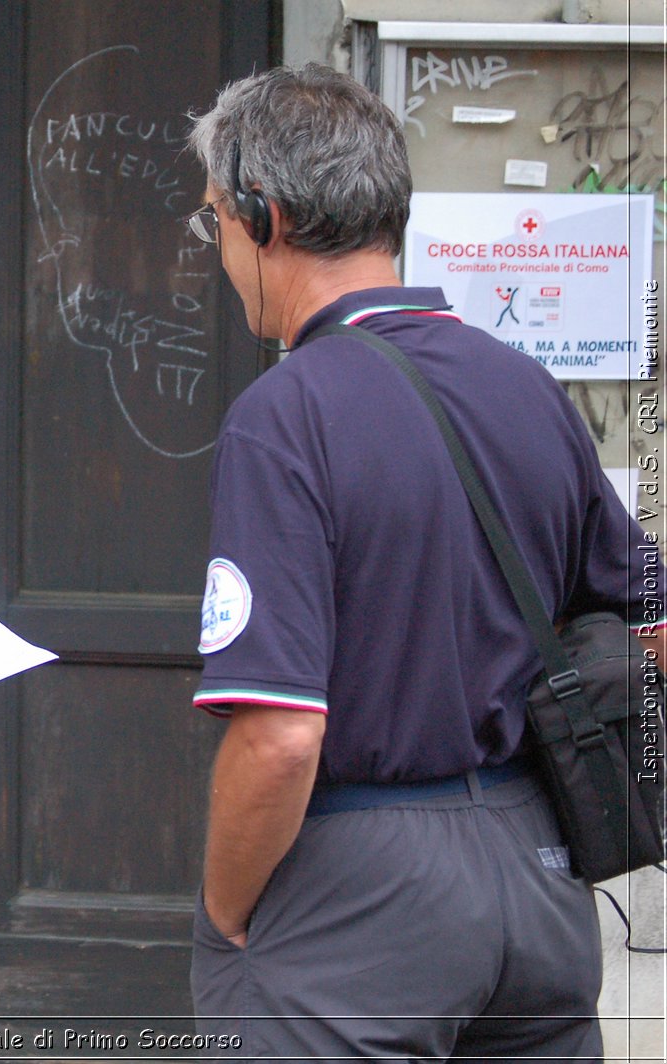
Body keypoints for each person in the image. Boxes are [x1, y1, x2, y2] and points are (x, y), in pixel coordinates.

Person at [185, 65, 654, 1061]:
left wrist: (227, 910)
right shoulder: (524, 386)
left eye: (213, 218)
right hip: (538, 876)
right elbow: (652, 613)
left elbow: (276, 736)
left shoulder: (285, 415)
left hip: (360, 884)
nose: (217, 246)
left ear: (261, 215)